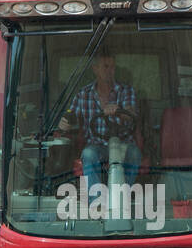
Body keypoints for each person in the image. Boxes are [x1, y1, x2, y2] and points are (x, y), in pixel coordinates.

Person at [58, 50, 142, 186]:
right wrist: (64, 124)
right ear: (95, 69)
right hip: (96, 146)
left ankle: (123, 194)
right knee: (88, 154)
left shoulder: (126, 91)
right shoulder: (83, 95)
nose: (110, 71)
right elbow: (70, 117)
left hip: (122, 145)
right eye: (106, 66)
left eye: (113, 67)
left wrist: (119, 111)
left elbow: (131, 114)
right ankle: (97, 202)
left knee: (134, 153)